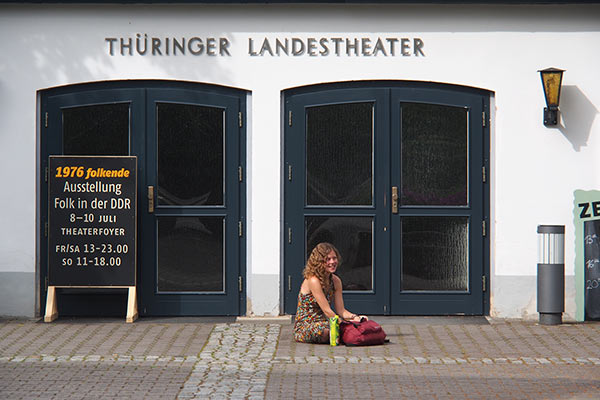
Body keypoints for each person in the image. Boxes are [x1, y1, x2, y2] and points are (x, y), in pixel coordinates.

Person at [294, 242, 368, 343]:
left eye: (334, 258)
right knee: (326, 332)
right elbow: (327, 311)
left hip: (326, 322)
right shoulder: (313, 280)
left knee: (359, 321)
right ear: (319, 262)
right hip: (307, 325)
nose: (332, 262)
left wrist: (355, 317)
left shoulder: (336, 281)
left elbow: (341, 310)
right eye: (328, 259)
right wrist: (347, 324)